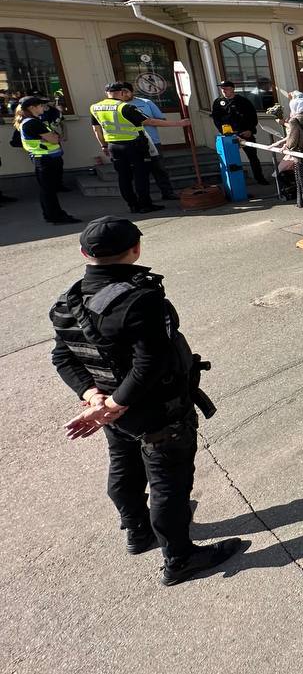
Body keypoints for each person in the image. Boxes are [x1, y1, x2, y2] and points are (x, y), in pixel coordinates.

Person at [49, 216, 244, 585]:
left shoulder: (66, 302)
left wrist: (96, 398)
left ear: (83, 253)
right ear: (136, 249)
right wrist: (113, 403)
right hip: (154, 412)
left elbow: (63, 357)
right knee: (169, 482)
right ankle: (180, 558)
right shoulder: (139, 298)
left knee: (124, 466)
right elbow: (150, 362)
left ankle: (138, 531)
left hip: (112, 411)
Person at [90, 82, 190, 214]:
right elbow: (149, 121)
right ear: (122, 92)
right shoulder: (125, 107)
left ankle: (132, 205)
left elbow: (96, 130)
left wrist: (104, 145)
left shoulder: (95, 107)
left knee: (124, 177)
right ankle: (145, 204)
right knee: (141, 175)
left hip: (114, 146)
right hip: (133, 144)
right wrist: (178, 123)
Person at [15, 95, 79, 224]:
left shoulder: (29, 121)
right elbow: (55, 139)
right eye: (40, 105)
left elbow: (52, 137)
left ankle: (51, 215)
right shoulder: (33, 122)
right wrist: (52, 136)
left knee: (47, 189)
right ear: (32, 108)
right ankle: (56, 216)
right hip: (46, 159)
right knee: (49, 190)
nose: (43, 107)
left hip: (43, 158)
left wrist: (49, 137)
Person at [121, 88, 177, 201]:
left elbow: (161, 118)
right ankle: (143, 198)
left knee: (159, 169)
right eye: (122, 92)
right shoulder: (118, 106)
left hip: (152, 141)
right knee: (138, 172)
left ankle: (167, 193)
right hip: (132, 143)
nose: (125, 94)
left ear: (132, 91)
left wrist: (146, 120)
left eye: (127, 91)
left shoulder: (145, 102)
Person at [210, 81, 268, 185]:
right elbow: (216, 119)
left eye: (226, 88)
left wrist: (250, 130)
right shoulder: (218, 102)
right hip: (228, 135)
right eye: (222, 88)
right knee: (229, 159)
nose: (223, 90)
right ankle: (234, 183)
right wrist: (224, 132)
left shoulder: (243, 101)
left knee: (253, 157)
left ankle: (260, 178)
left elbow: (253, 117)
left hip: (244, 133)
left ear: (233, 89)